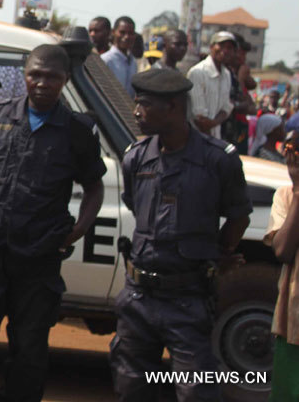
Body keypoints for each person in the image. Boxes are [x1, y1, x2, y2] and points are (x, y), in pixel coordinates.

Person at [0, 44, 106, 402]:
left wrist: (78, 229)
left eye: (52, 77)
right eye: (35, 74)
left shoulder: (77, 130)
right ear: (24, 74)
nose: (42, 83)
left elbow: (94, 187)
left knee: (29, 354)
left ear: (65, 80)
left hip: (38, 260)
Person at [109, 68, 251, 401]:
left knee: (197, 391)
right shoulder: (136, 157)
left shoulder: (218, 160)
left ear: (172, 107)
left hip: (187, 297)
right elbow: (135, 204)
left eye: (144, 104)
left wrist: (221, 251)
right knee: (131, 386)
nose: (136, 112)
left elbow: (238, 216)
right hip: (138, 298)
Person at [264, 129, 299, 400]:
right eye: (288, 154)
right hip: (292, 323)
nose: (291, 163)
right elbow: (283, 250)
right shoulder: (286, 196)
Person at [186, 31, 237, 139]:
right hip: (196, 138)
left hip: (214, 137)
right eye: (221, 46)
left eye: (229, 48)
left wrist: (213, 122)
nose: (225, 51)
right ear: (211, 47)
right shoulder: (198, 72)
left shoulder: (226, 74)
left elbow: (226, 107)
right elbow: (199, 118)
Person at [221, 34, 256, 154]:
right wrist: (241, 78)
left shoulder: (236, 74)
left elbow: (252, 108)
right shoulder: (225, 74)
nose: (243, 59)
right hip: (226, 131)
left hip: (237, 130)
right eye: (241, 53)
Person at [101, 16, 138, 97]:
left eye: (130, 33)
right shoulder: (105, 60)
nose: (126, 37)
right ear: (113, 32)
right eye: (122, 32)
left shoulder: (133, 62)